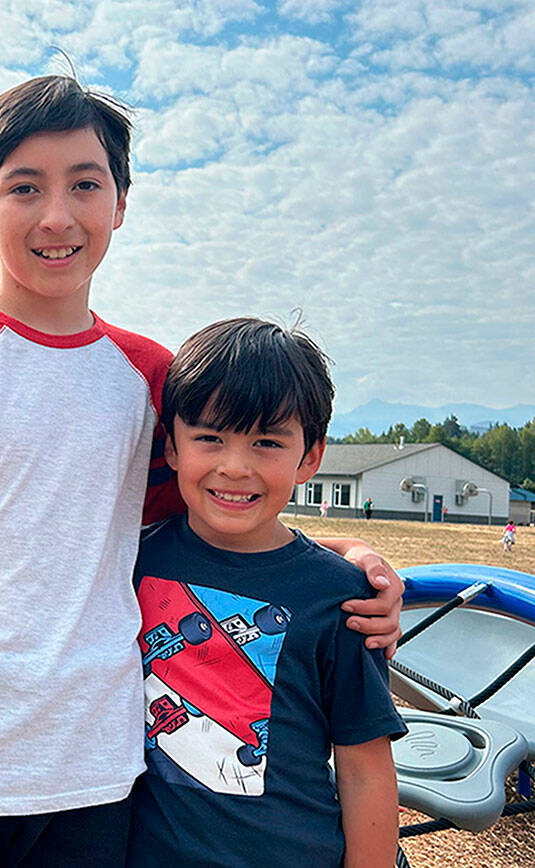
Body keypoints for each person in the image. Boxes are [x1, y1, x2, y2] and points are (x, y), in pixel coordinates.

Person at [0, 75, 402, 868]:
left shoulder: (154, 378)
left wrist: (345, 561)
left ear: (121, 203)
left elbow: (216, 519)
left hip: (97, 761)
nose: (57, 216)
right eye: (24, 187)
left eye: (85, 185)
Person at [126, 317, 404, 867]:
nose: (235, 467)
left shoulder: (342, 596)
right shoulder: (128, 559)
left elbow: (365, 770)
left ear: (310, 458)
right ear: (172, 446)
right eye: (210, 438)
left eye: (266, 443)